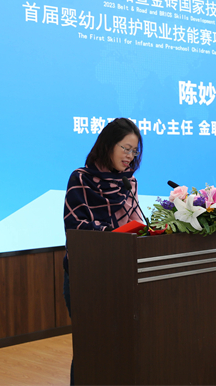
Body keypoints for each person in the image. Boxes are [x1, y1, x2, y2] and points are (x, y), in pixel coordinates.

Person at [62, 118, 144, 321]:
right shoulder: (81, 178)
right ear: (108, 145)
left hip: (122, 271)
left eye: (134, 151)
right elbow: (75, 227)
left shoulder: (129, 181)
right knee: (91, 336)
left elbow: (136, 221)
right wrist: (111, 234)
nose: (130, 156)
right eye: (126, 148)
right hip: (87, 271)